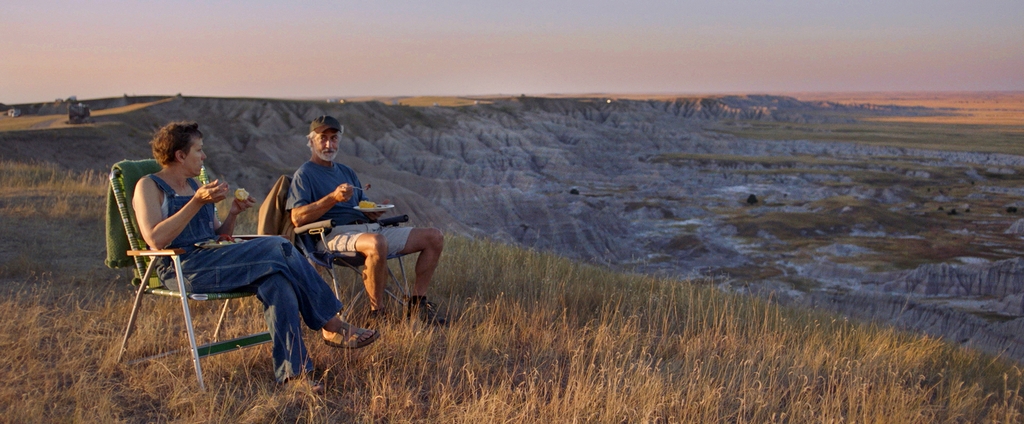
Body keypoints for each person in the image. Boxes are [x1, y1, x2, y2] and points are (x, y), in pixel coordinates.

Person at [133, 121, 378, 388]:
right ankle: (331, 323)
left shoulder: (194, 186)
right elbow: (155, 239)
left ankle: (293, 375)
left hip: (214, 260)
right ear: (180, 155)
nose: (203, 157)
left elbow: (218, 236)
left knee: (278, 283)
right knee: (278, 245)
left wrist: (233, 213)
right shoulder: (150, 186)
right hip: (183, 268)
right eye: (199, 151)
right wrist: (196, 203)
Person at [287, 115, 447, 325]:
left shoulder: (347, 172)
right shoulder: (304, 174)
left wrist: (373, 211)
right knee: (376, 242)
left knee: (434, 237)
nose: (329, 144)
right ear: (311, 141)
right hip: (332, 235)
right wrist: (332, 198)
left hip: (368, 228)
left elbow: (362, 205)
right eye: (323, 138)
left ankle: (417, 305)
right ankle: (377, 314)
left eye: (333, 138)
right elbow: (297, 218)